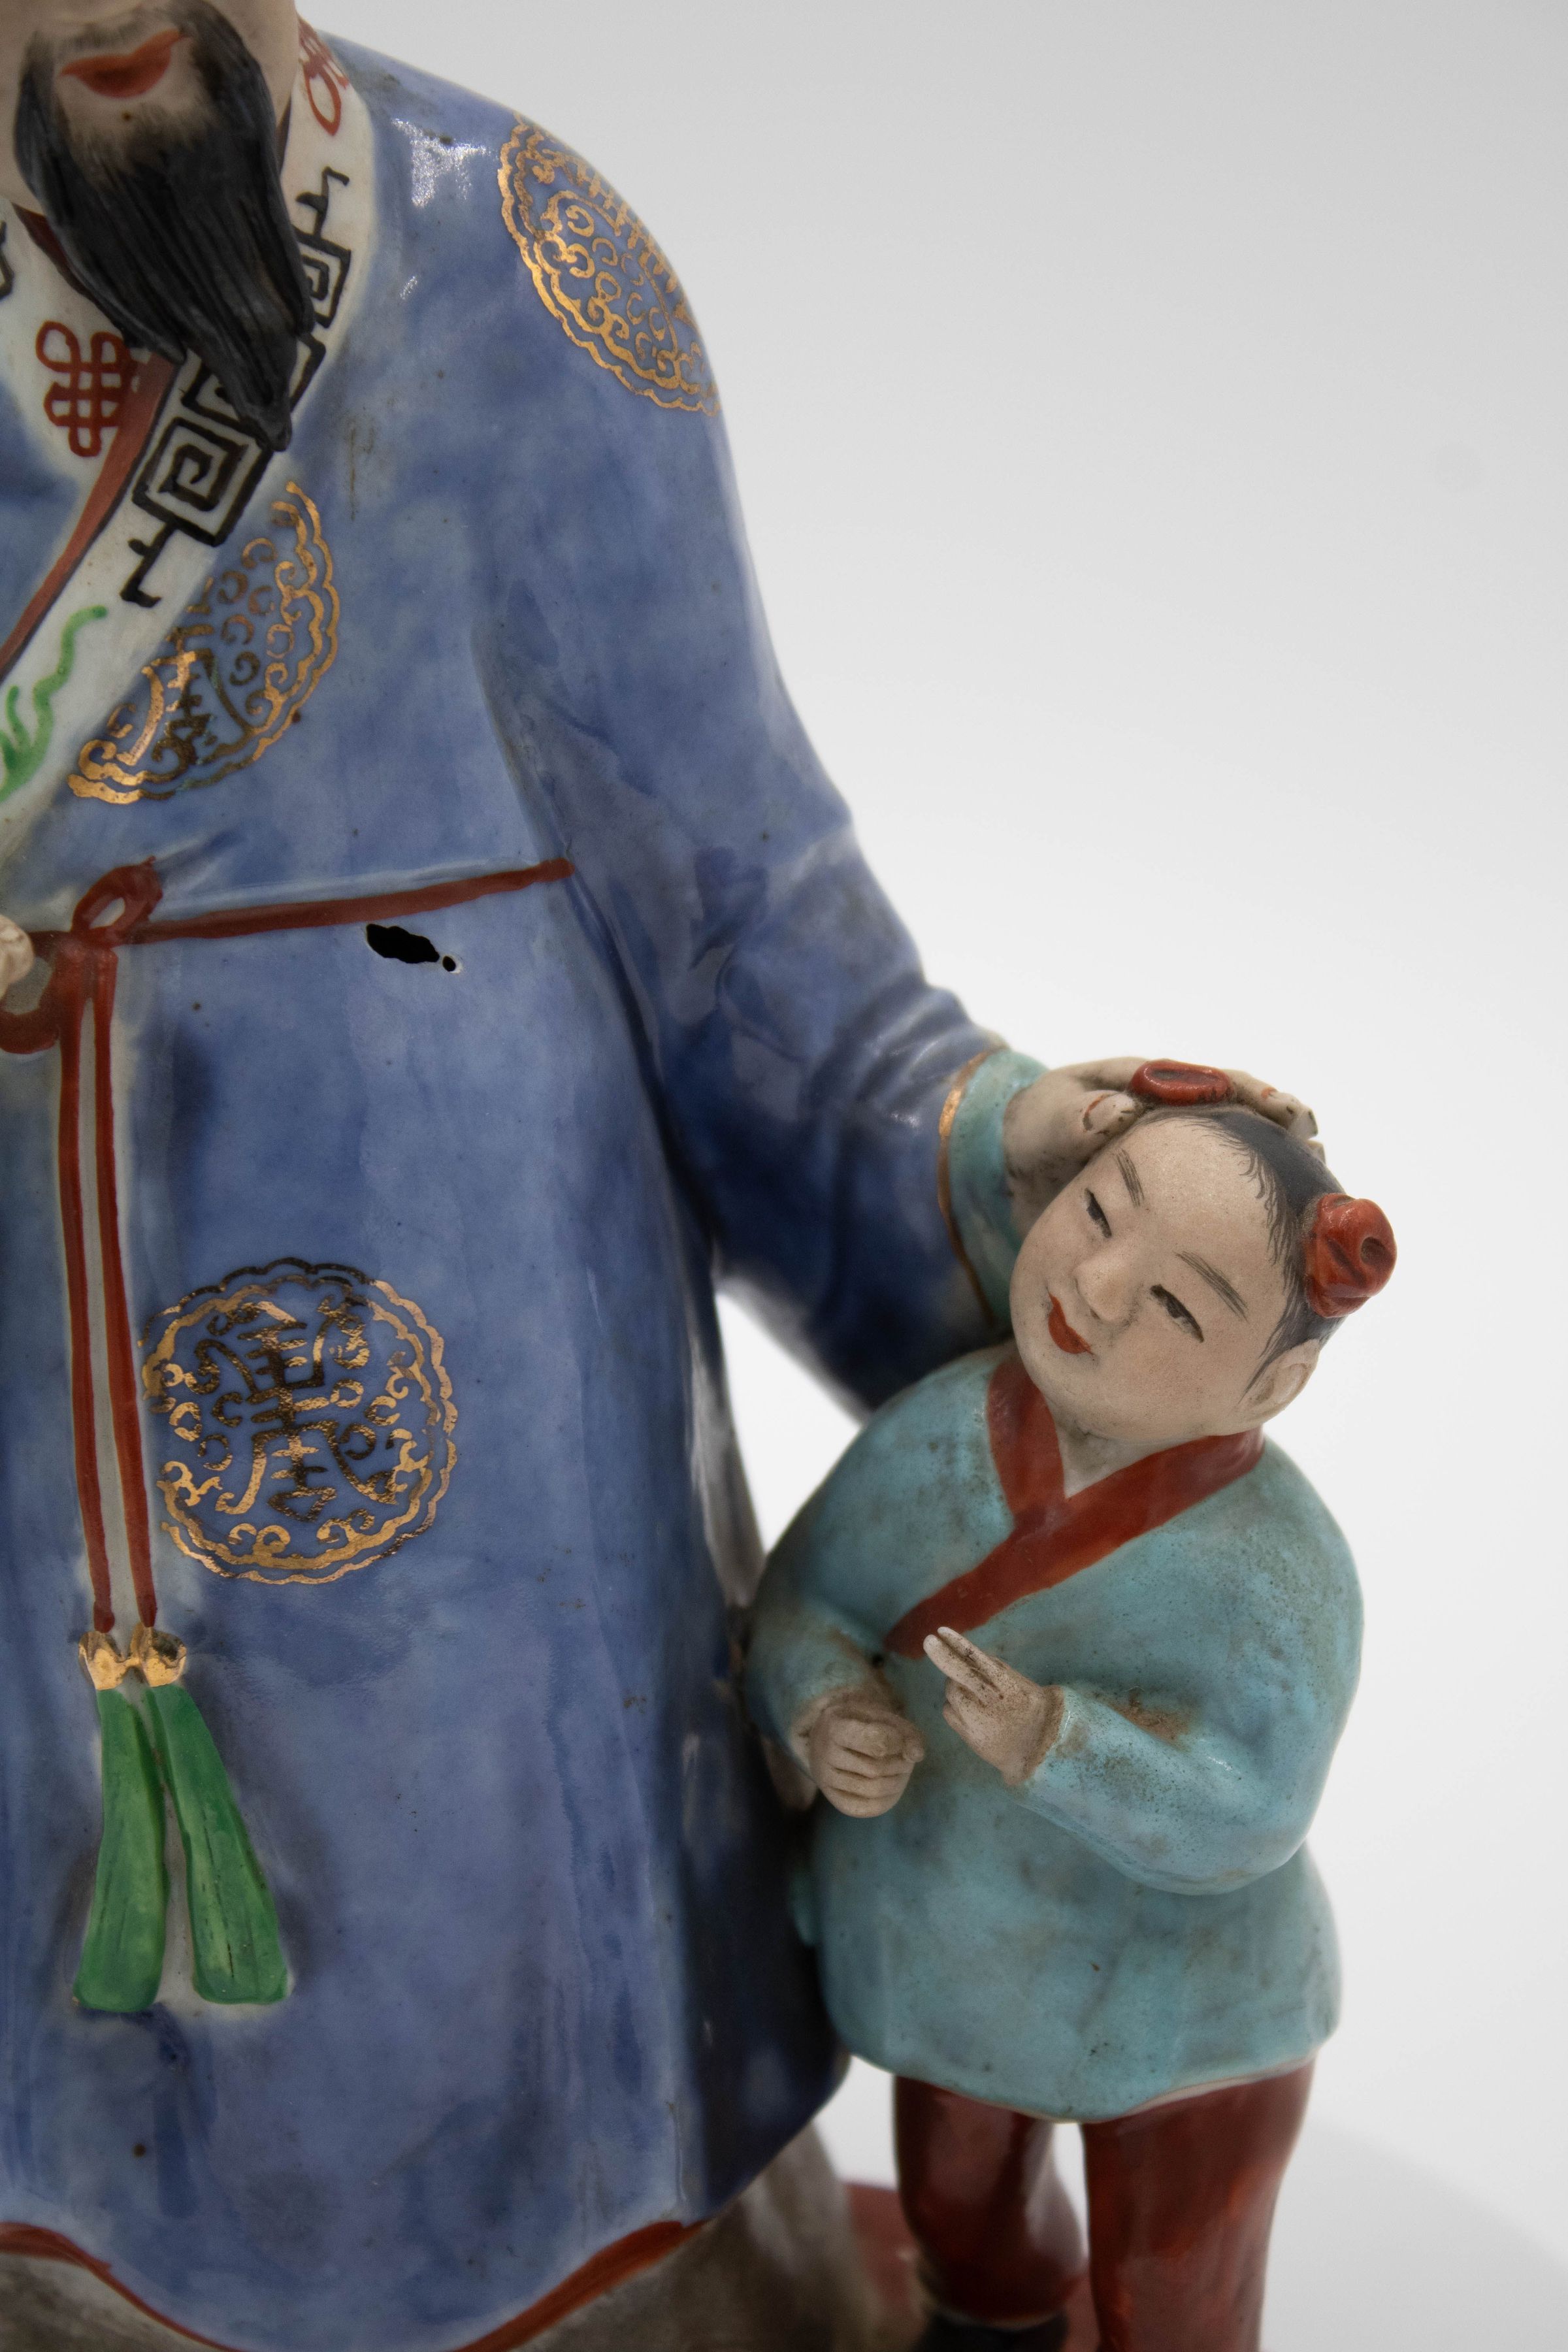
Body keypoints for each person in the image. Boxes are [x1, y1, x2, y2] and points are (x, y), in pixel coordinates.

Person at [0, 8, 1319, 2347]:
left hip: (488, 1376)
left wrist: (1001, 1149)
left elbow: (744, 914)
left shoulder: (518, 261)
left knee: (478, 1920)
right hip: (31, 1356)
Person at [747, 1079, 1395, 2352]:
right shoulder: (935, 1437)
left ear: (1274, 1385)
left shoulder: (1281, 1569)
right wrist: (826, 1708)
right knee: (963, 2232)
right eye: (1101, 1213)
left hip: (1192, 2003)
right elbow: (801, 1602)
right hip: (956, 1950)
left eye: (1175, 1305)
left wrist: (1062, 1747)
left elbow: (1258, 1807)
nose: (1096, 1289)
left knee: (1173, 2288)